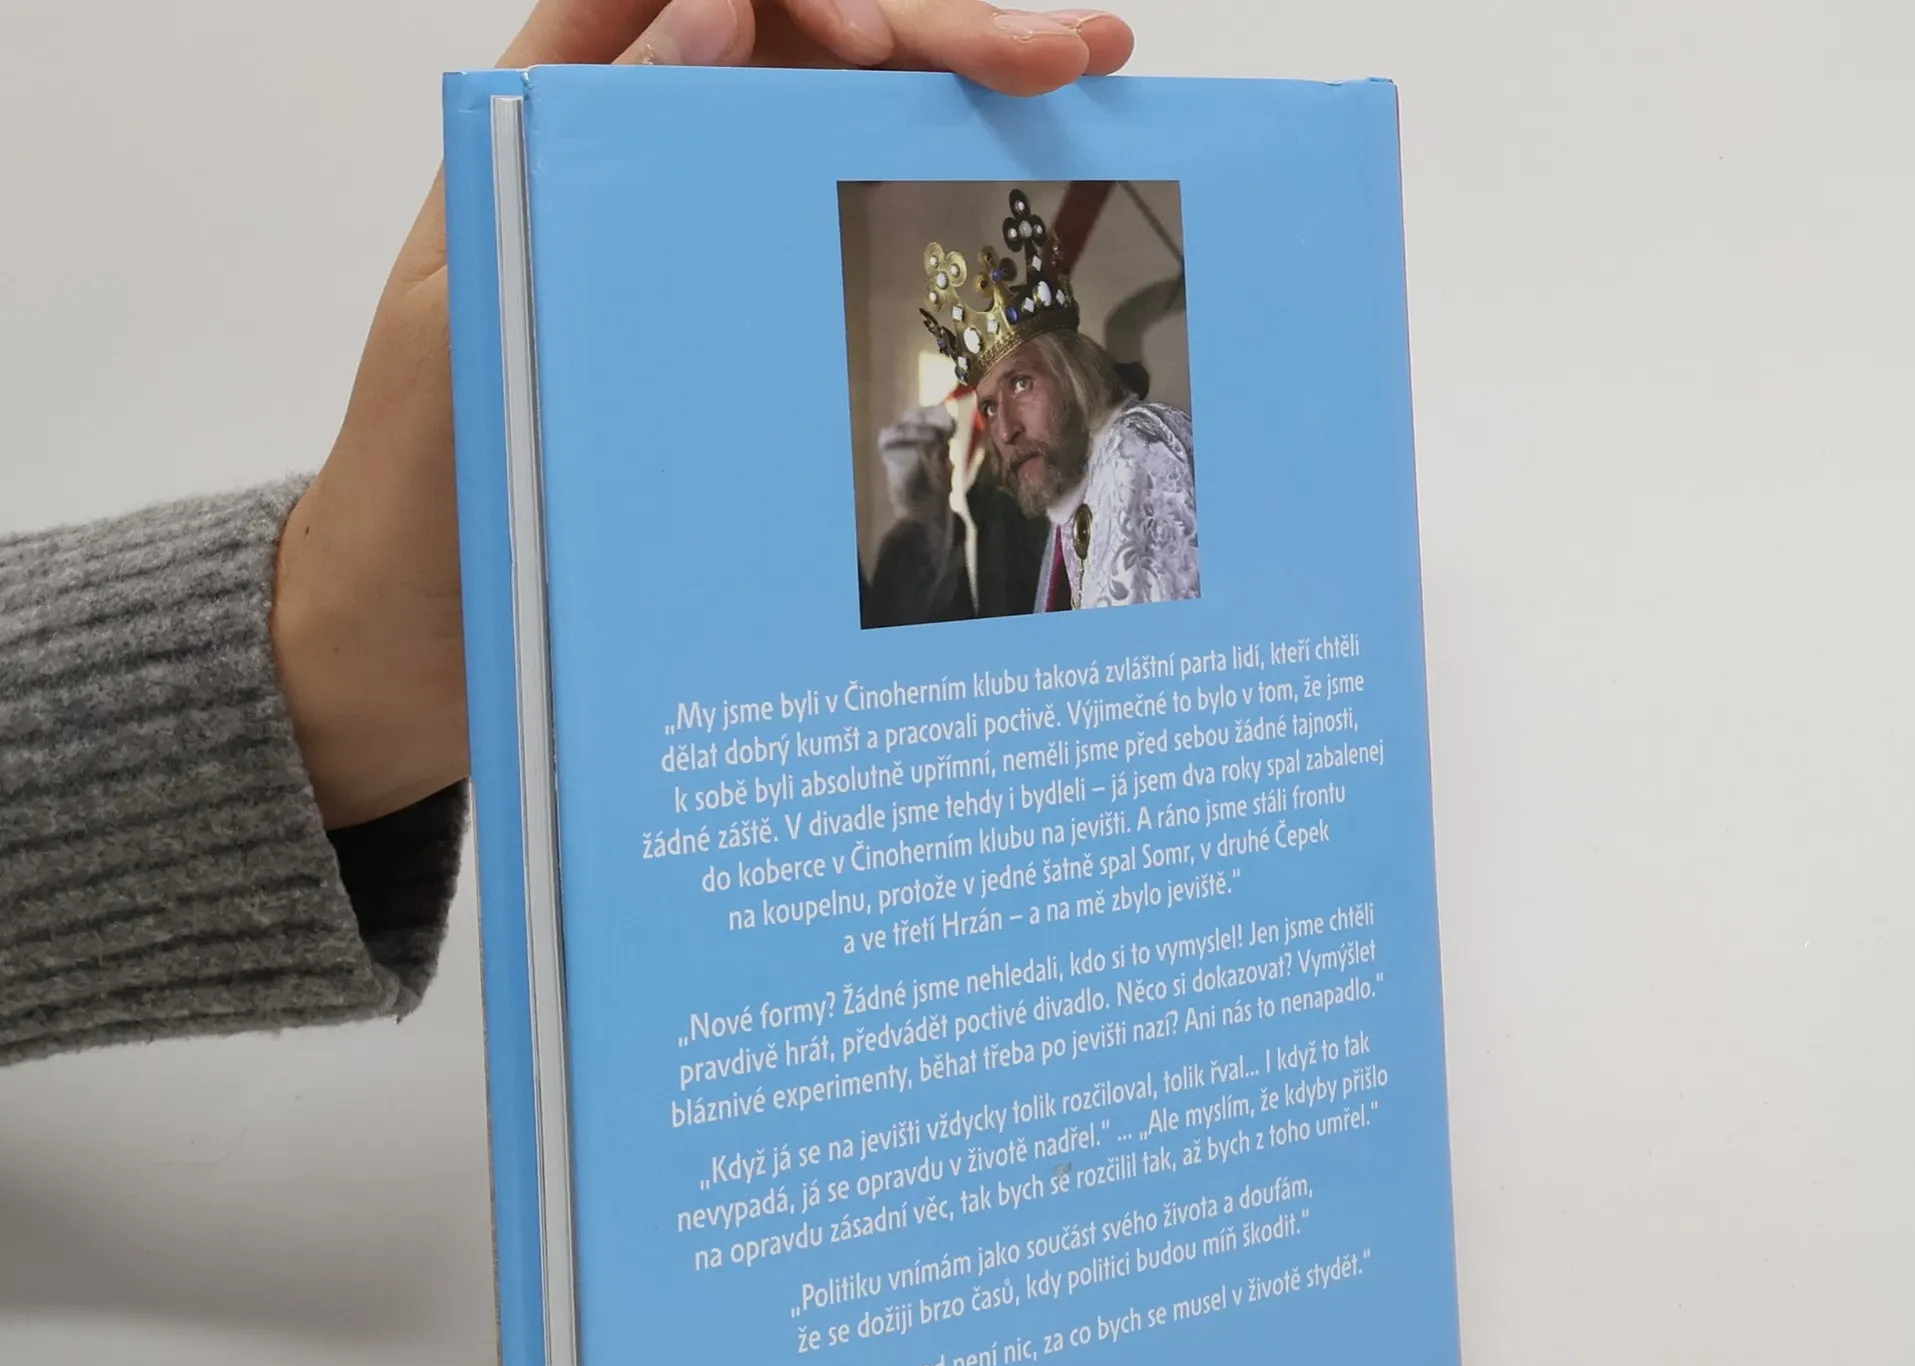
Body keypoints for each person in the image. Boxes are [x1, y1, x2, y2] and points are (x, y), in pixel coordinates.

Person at [0, 0, 1134, 1070]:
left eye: (1020, 385)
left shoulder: (1136, 477)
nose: (999, 420)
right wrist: (921, 523)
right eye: (988, 394)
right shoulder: (988, 511)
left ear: (1080, 373)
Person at [920, 186, 1199, 613]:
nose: (1005, 431)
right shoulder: (1071, 496)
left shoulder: (1134, 449)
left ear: (1074, 376)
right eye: (989, 407)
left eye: (1021, 384)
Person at [864, 406, 975, 627]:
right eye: (942, 457)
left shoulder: (956, 529)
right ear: (920, 470)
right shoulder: (898, 547)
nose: (952, 466)